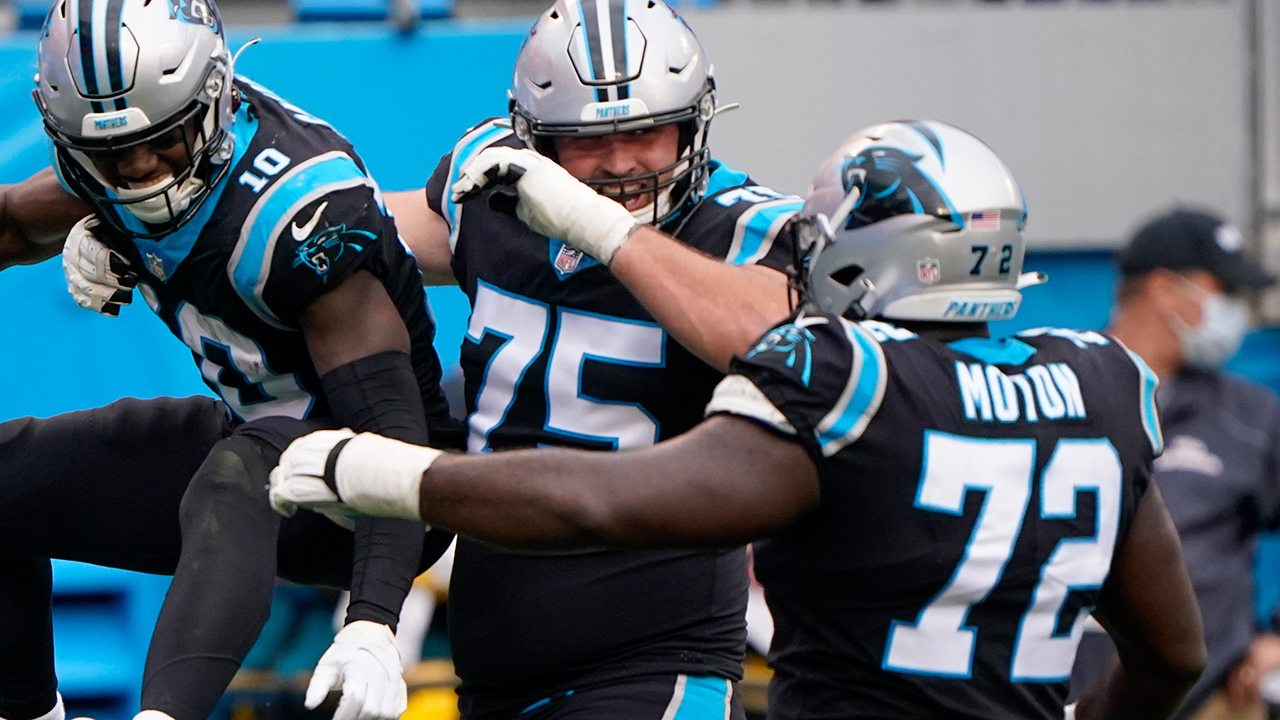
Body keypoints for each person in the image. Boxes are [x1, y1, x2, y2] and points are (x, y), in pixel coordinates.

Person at [272, 120, 1209, 720]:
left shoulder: (851, 379)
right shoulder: (1099, 385)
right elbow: (1173, 654)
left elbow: (605, 504)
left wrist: (383, 471)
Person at [0, 1, 461, 719]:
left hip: (379, 498)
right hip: (248, 447)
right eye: (113, 155)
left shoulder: (300, 211)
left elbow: (395, 438)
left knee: (241, 469)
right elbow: (11, 222)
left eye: (164, 140)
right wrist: (105, 220)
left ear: (213, 98)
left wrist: (372, 619)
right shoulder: (113, 163)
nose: (141, 170)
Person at [377, 0, 801, 717]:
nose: (620, 163)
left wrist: (604, 232)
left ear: (693, 123)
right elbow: (356, 237)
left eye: (646, 132)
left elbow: (776, 332)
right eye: (586, 141)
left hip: (657, 648)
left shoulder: (741, 226)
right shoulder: (494, 187)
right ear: (535, 139)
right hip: (493, 660)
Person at [1067, 208, 1280, 720]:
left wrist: (1276, 636)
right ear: (1164, 290)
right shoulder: (1055, 388)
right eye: (1223, 293)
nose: (1236, 313)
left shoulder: (1250, 416)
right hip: (1063, 696)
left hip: (1208, 701)